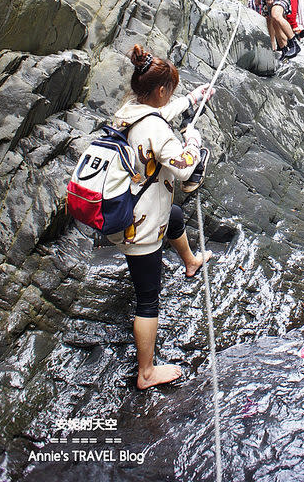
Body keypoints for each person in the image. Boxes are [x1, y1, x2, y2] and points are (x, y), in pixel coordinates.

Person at [109, 45, 213, 389]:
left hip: (135, 205)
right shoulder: (155, 129)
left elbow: (159, 116)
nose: (173, 96)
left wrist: (192, 100)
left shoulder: (128, 112)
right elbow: (184, 168)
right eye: (173, 90)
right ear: (161, 90)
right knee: (147, 297)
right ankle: (146, 372)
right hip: (138, 229)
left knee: (176, 215)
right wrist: (193, 141)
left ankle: (191, 261)